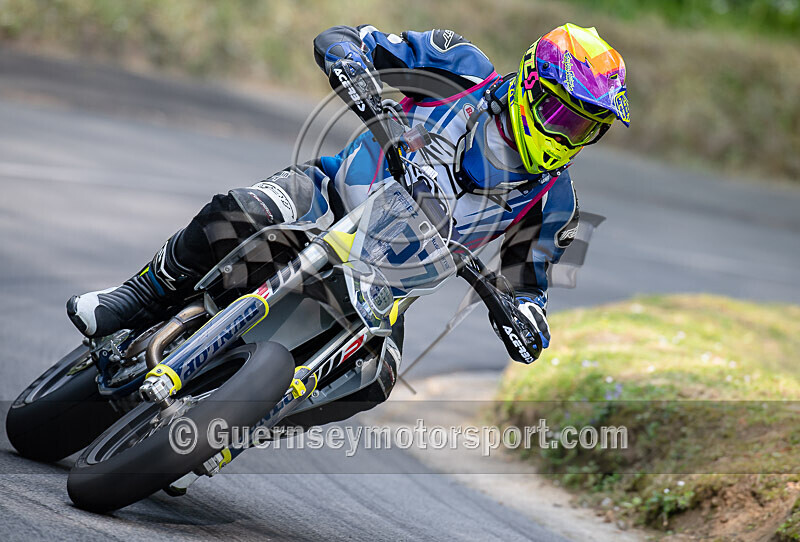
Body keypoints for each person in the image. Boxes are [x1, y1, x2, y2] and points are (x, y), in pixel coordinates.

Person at [67, 23, 628, 412]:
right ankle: (136, 296)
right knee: (243, 212)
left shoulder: (560, 201)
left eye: (585, 127)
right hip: (327, 197)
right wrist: (359, 78)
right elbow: (345, 41)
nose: (567, 134)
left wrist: (526, 314)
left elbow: (531, 278)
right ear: (531, 84)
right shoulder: (463, 66)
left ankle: (218, 427)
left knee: (372, 380)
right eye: (560, 112)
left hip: (384, 284)